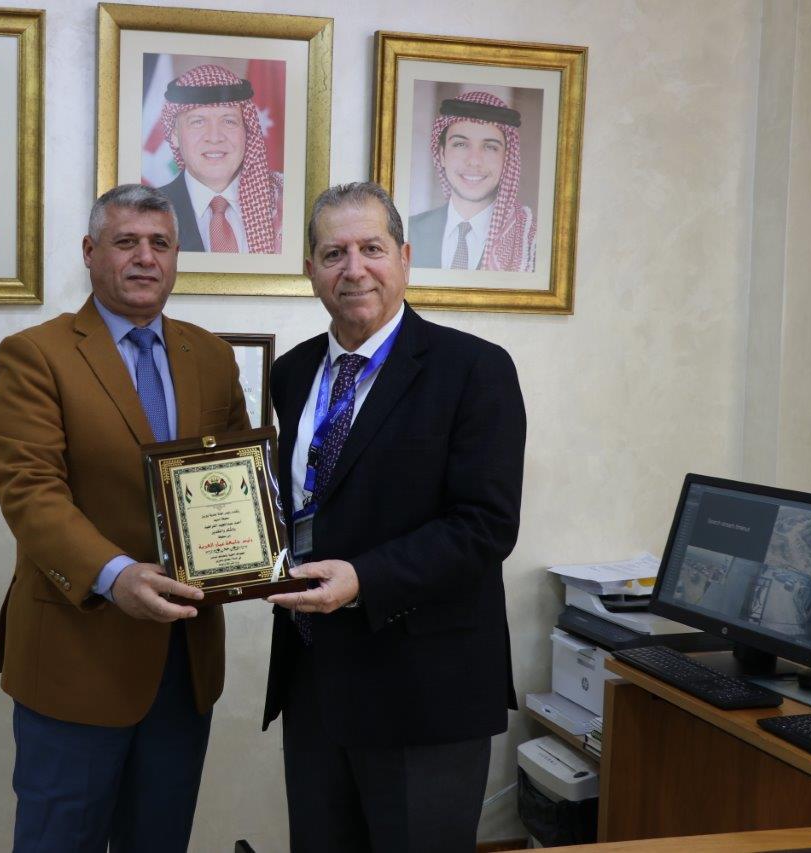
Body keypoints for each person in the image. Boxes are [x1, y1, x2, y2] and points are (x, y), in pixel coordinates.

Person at [0, 184, 249, 851]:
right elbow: (29, 490)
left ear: (177, 255)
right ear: (90, 251)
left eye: (160, 243)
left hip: (184, 663)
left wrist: (255, 556)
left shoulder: (212, 356)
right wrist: (115, 574)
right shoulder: (36, 353)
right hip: (76, 658)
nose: (144, 258)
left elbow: (237, 482)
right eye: (126, 241)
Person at [263, 182, 526, 851]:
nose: (354, 269)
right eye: (334, 253)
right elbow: (302, 502)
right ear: (310, 269)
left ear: (405, 258)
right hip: (315, 683)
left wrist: (363, 578)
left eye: (371, 249)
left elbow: (486, 524)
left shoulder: (474, 370)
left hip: (425, 690)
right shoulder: (291, 373)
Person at [155, 64, 283, 254]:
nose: (214, 137)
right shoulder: (148, 210)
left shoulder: (283, 203)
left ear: (247, 130)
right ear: (174, 134)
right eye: (198, 122)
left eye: (229, 121)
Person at [409, 91, 536, 272]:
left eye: (490, 147)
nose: (474, 161)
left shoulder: (529, 241)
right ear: (442, 154)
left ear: (506, 160)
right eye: (460, 144)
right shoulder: (408, 232)